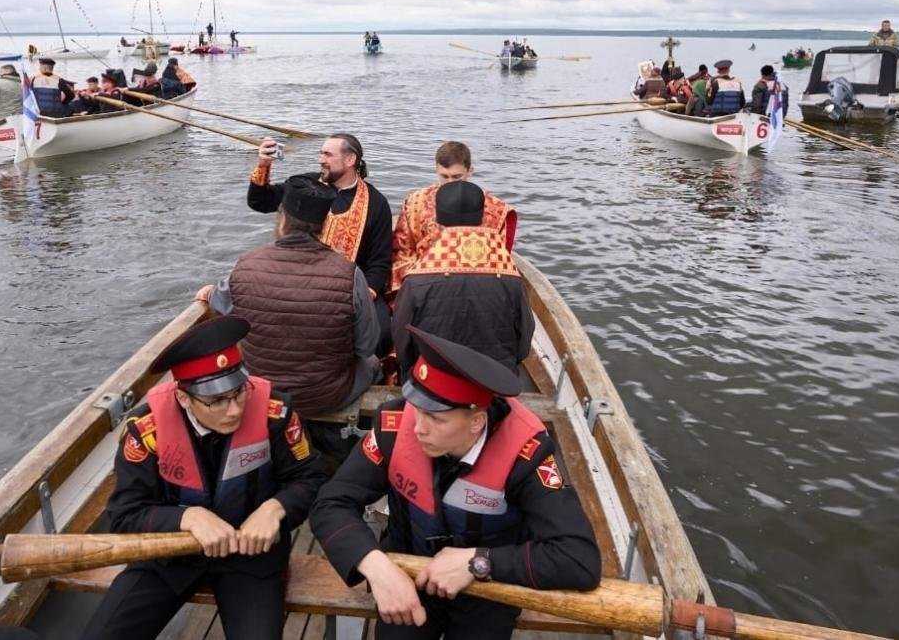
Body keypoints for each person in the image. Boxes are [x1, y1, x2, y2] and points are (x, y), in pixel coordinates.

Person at [309, 327, 601, 639]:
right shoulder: (394, 428)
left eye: (436, 418)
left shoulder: (525, 454)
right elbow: (331, 504)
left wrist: (480, 562)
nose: (418, 428)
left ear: (477, 422)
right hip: (408, 574)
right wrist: (375, 566)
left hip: (488, 590)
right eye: (417, 410)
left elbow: (578, 558)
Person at [82, 316, 325, 640]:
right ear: (184, 398)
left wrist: (276, 508)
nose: (235, 409)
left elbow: (312, 477)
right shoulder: (146, 431)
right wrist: (187, 517)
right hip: (170, 556)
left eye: (239, 392)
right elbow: (124, 514)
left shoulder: (275, 413)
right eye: (216, 401)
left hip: (250, 557)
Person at [197, 174, 380, 470]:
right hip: (327, 393)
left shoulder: (246, 264)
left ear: (282, 221)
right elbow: (366, 345)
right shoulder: (349, 274)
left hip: (262, 388)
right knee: (372, 362)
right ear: (323, 226)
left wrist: (208, 293)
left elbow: (221, 302)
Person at [249, 133, 394, 351]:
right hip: (297, 280)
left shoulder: (376, 203)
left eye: (327, 154)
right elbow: (260, 201)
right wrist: (263, 164)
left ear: (350, 160)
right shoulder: (303, 187)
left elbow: (380, 262)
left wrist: (363, 297)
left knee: (382, 335)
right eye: (320, 153)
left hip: (350, 290)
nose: (320, 159)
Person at [392, 181, 533, 377]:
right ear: (482, 217)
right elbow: (524, 345)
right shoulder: (511, 277)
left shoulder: (416, 279)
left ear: (438, 218)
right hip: (494, 385)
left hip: (433, 387)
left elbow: (402, 346)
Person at [389, 142, 516, 299]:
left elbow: (499, 259)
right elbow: (403, 252)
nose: (450, 183)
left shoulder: (495, 209)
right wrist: (421, 284)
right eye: (444, 176)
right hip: (424, 284)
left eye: (457, 177)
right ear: (436, 169)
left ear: (470, 171)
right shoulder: (416, 202)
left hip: (476, 286)